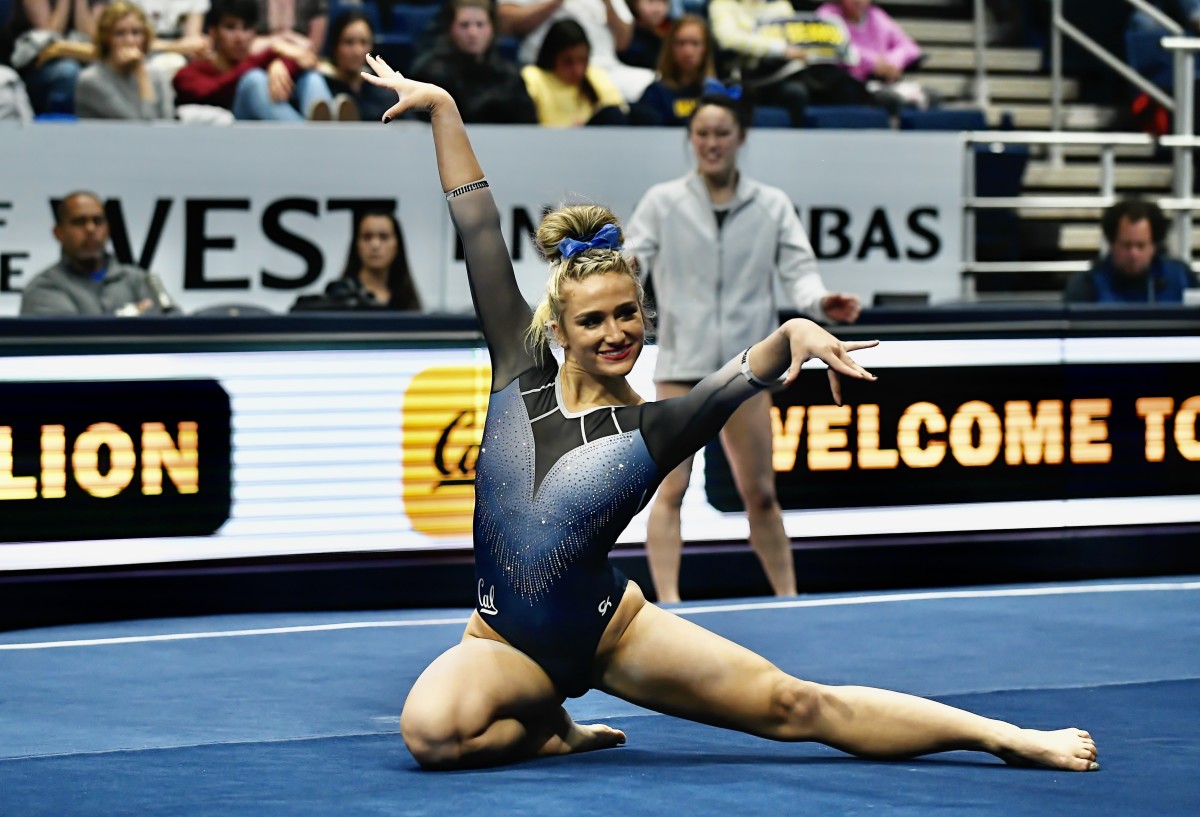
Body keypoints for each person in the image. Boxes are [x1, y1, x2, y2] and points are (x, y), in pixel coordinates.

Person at [361, 53, 1100, 775]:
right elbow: (480, 230)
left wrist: (796, 333)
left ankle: (1003, 735)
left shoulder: (651, 430)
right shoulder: (517, 372)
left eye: (628, 314)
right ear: (558, 330)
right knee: (431, 733)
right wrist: (444, 110)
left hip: (607, 632)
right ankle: (553, 731)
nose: (616, 332)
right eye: (594, 321)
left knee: (795, 703)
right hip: (501, 641)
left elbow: (736, 377)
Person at [625, 93, 862, 603]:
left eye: (722, 133)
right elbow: (632, 263)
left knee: (761, 495)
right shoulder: (662, 201)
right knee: (669, 491)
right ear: (690, 139)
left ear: (741, 138)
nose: (712, 143)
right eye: (702, 133)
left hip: (749, 370)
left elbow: (800, 276)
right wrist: (611, 276)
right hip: (681, 367)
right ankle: (667, 605)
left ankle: (788, 600)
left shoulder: (771, 204)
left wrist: (822, 301)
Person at [708, 0, 872, 127]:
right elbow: (728, 39)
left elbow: (796, 39)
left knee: (846, 88)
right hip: (755, 78)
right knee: (795, 93)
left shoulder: (780, 6)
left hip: (791, 70)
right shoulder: (724, 4)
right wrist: (780, 49)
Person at [173, 0, 339, 121]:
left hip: (270, 140)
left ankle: (330, 132)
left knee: (311, 79)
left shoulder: (259, 62)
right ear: (213, 32)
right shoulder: (192, 72)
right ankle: (316, 139)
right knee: (254, 80)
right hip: (231, 137)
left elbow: (306, 60)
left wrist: (279, 63)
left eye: (246, 28)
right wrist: (273, 52)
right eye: (230, 27)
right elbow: (215, 90)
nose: (239, 37)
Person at [20, 191, 178, 316]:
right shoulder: (44, 287)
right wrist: (132, 314)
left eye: (98, 221)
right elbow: (71, 341)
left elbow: (176, 328)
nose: (90, 229)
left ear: (108, 230)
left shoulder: (140, 280)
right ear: (58, 232)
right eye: (79, 222)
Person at [408, 0, 537, 124]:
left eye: (480, 24)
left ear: (492, 29)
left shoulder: (509, 75)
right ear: (450, 29)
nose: (473, 33)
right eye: (464, 25)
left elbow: (528, 125)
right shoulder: (430, 75)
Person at [498, 0, 654, 102]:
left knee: (654, 86)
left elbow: (623, 42)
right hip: (551, 71)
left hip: (607, 71)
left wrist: (608, 4)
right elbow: (505, 22)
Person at [1064, 199, 1200, 303]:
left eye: (1141, 246)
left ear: (1154, 245)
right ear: (1111, 243)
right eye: (1126, 245)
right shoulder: (1087, 286)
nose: (1133, 254)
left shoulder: (1181, 277)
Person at [816, 0, 934, 114]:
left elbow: (909, 47)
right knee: (890, 100)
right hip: (847, 86)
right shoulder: (827, 15)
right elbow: (838, 47)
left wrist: (892, 62)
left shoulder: (877, 15)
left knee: (930, 96)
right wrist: (873, 63)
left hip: (883, 82)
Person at [75, 1, 176, 119]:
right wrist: (140, 71)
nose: (129, 41)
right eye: (120, 33)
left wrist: (141, 70)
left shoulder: (157, 75)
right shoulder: (91, 80)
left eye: (136, 32)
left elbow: (169, 125)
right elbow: (137, 128)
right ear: (106, 38)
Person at [521, 18, 629, 126]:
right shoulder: (533, 77)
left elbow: (621, 110)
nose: (577, 70)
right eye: (568, 62)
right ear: (551, 57)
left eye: (583, 60)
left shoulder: (594, 74)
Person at [6, 0, 104, 114]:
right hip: (34, 68)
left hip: (82, 62)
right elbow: (48, 36)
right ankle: (57, 127)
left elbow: (93, 39)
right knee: (68, 72)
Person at [636, 14, 725, 127]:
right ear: (670, 48)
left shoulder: (717, 93)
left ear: (706, 49)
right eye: (681, 43)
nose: (688, 51)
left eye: (695, 43)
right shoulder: (656, 93)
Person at [319, 8, 394, 122]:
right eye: (348, 42)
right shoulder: (321, 87)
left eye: (363, 42)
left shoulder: (384, 92)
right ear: (335, 46)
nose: (357, 51)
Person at [338, 209, 422, 310]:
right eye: (367, 237)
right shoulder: (340, 296)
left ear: (397, 245)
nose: (375, 245)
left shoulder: (406, 300)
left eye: (384, 237)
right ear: (356, 245)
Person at [617, 0, 669, 70]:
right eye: (650, 2)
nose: (657, 9)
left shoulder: (670, 29)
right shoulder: (625, 33)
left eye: (663, 2)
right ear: (635, 4)